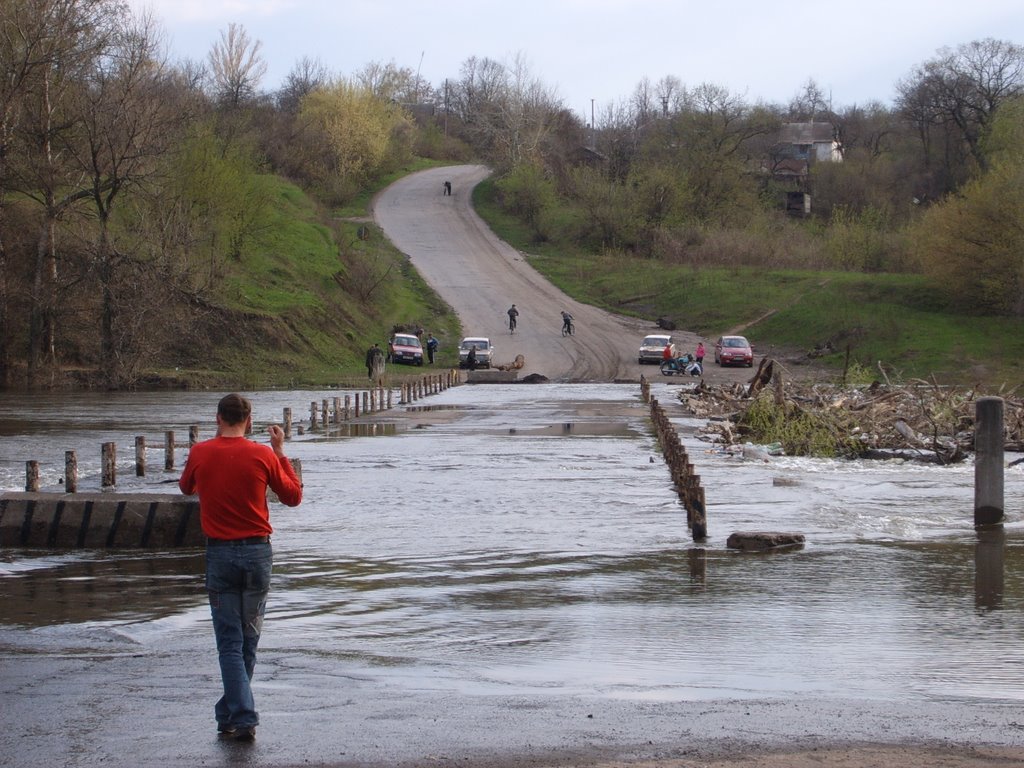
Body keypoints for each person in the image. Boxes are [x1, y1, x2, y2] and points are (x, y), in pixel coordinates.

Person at [178, 394, 303, 742]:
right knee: (248, 639)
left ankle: (239, 714)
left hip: (220, 556)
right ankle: (234, 713)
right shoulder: (263, 454)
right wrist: (279, 451)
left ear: (217, 418)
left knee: (230, 642)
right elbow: (293, 496)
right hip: (257, 554)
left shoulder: (201, 452)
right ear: (249, 421)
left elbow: (185, 487)